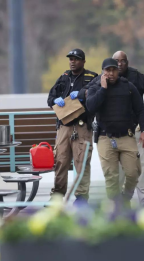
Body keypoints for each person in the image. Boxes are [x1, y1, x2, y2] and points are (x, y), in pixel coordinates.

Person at [86, 58, 144, 203]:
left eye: (113, 69)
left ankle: (126, 197)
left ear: (117, 70)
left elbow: (140, 109)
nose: (111, 73)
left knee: (133, 173)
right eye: (108, 70)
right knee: (111, 176)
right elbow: (91, 107)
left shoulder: (128, 86)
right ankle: (116, 205)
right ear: (103, 72)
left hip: (126, 136)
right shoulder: (95, 87)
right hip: (105, 138)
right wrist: (103, 89)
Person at [47, 48, 98, 205]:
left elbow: (98, 93)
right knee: (61, 160)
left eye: (76, 59)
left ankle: (82, 197)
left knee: (82, 161)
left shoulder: (92, 77)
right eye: (70, 59)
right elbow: (50, 98)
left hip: (82, 126)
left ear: (83, 61)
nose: (72, 61)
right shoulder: (63, 77)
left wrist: (83, 93)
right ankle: (57, 195)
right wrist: (55, 100)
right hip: (64, 126)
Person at [113, 50, 144, 207]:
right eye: (116, 61)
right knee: (118, 167)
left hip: (138, 128)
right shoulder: (106, 78)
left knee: (143, 165)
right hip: (117, 131)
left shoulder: (137, 77)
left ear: (127, 62)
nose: (120, 64)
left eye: (123, 61)